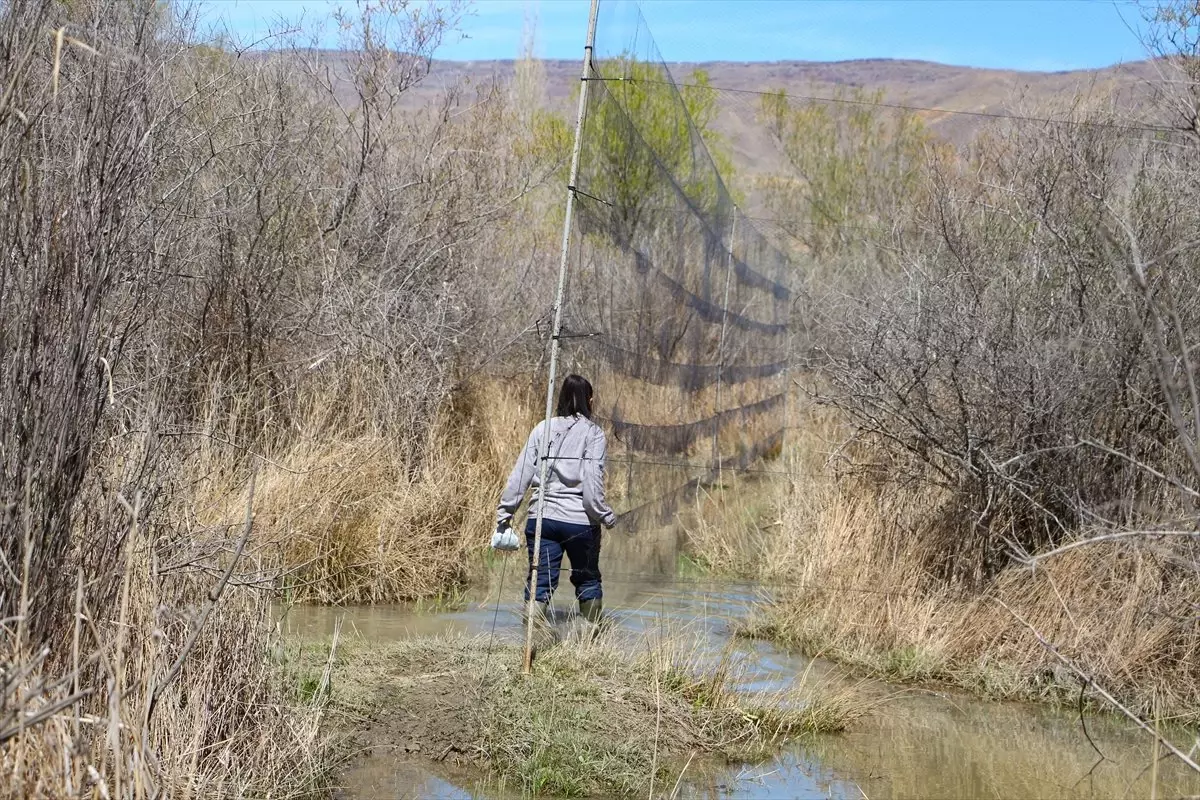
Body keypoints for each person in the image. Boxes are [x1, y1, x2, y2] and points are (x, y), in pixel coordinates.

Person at [494, 374, 617, 626]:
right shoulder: (594, 433)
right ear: (590, 401)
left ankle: (532, 642)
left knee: (540, 581)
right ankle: (589, 640)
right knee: (588, 579)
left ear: (560, 399)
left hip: (543, 520)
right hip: (581, 523)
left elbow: (520, 477)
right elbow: (593, 488)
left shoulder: (543, 428)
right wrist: (605, 516)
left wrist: (504, 516)